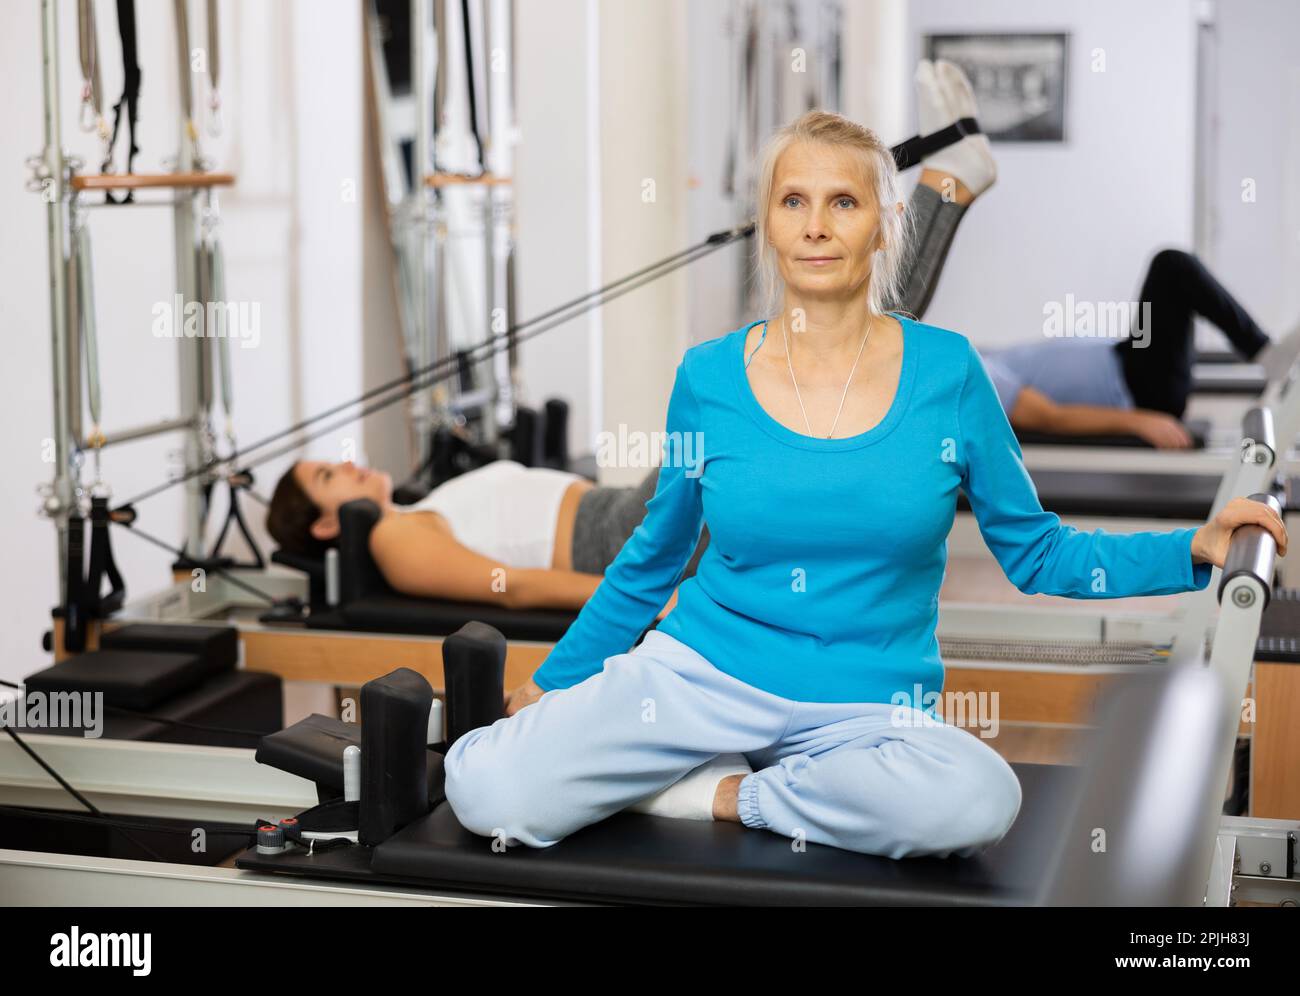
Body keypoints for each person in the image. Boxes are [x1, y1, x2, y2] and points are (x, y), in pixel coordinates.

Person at [438, 107, 1287, 862]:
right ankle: (707, 766)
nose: (815, 226)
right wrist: (550, 684)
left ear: (884, 225)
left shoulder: (949, 373)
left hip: (866, 706)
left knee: (977, 802)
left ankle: (726, 794)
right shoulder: (707, 378)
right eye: (793, 201)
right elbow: (651, 560)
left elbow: (1036, 553)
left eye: (843, 202)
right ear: (769, 223)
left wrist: (1194, 549)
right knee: (488, 792)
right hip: (700, 675)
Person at [263, 60, 988, 614]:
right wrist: (641, 600)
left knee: (818, 344)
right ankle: (947, 185)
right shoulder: (393, 536)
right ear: (327, 528)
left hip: (623, 514)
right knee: (823, 342)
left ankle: (948, 185)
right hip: (625, 536)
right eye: (329, 479)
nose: (349, 467)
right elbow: (513, 587)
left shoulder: (419, 503)